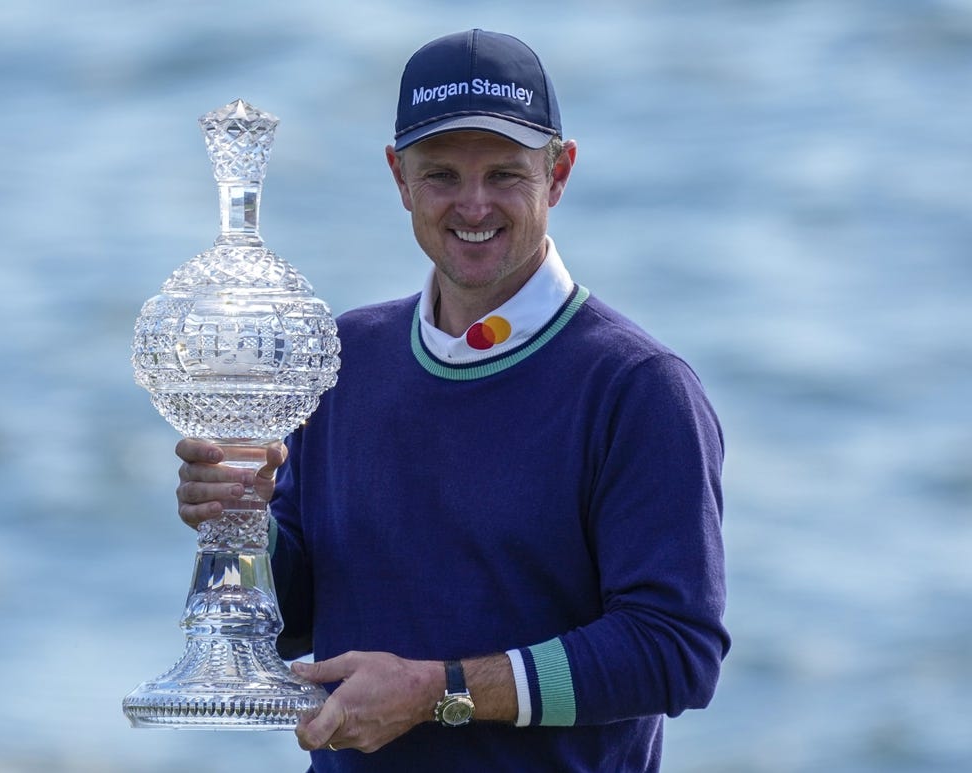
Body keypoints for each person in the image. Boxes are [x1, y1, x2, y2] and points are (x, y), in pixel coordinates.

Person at [175, 28, 728, 772]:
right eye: (441, 175)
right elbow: (292, 623)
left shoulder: (639, 388)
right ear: (398, 177)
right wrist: (242, 528)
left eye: (505, 174)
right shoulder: (341, 359)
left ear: (558, 173)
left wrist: (437, 691)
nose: (473, 205)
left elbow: (674, 651)